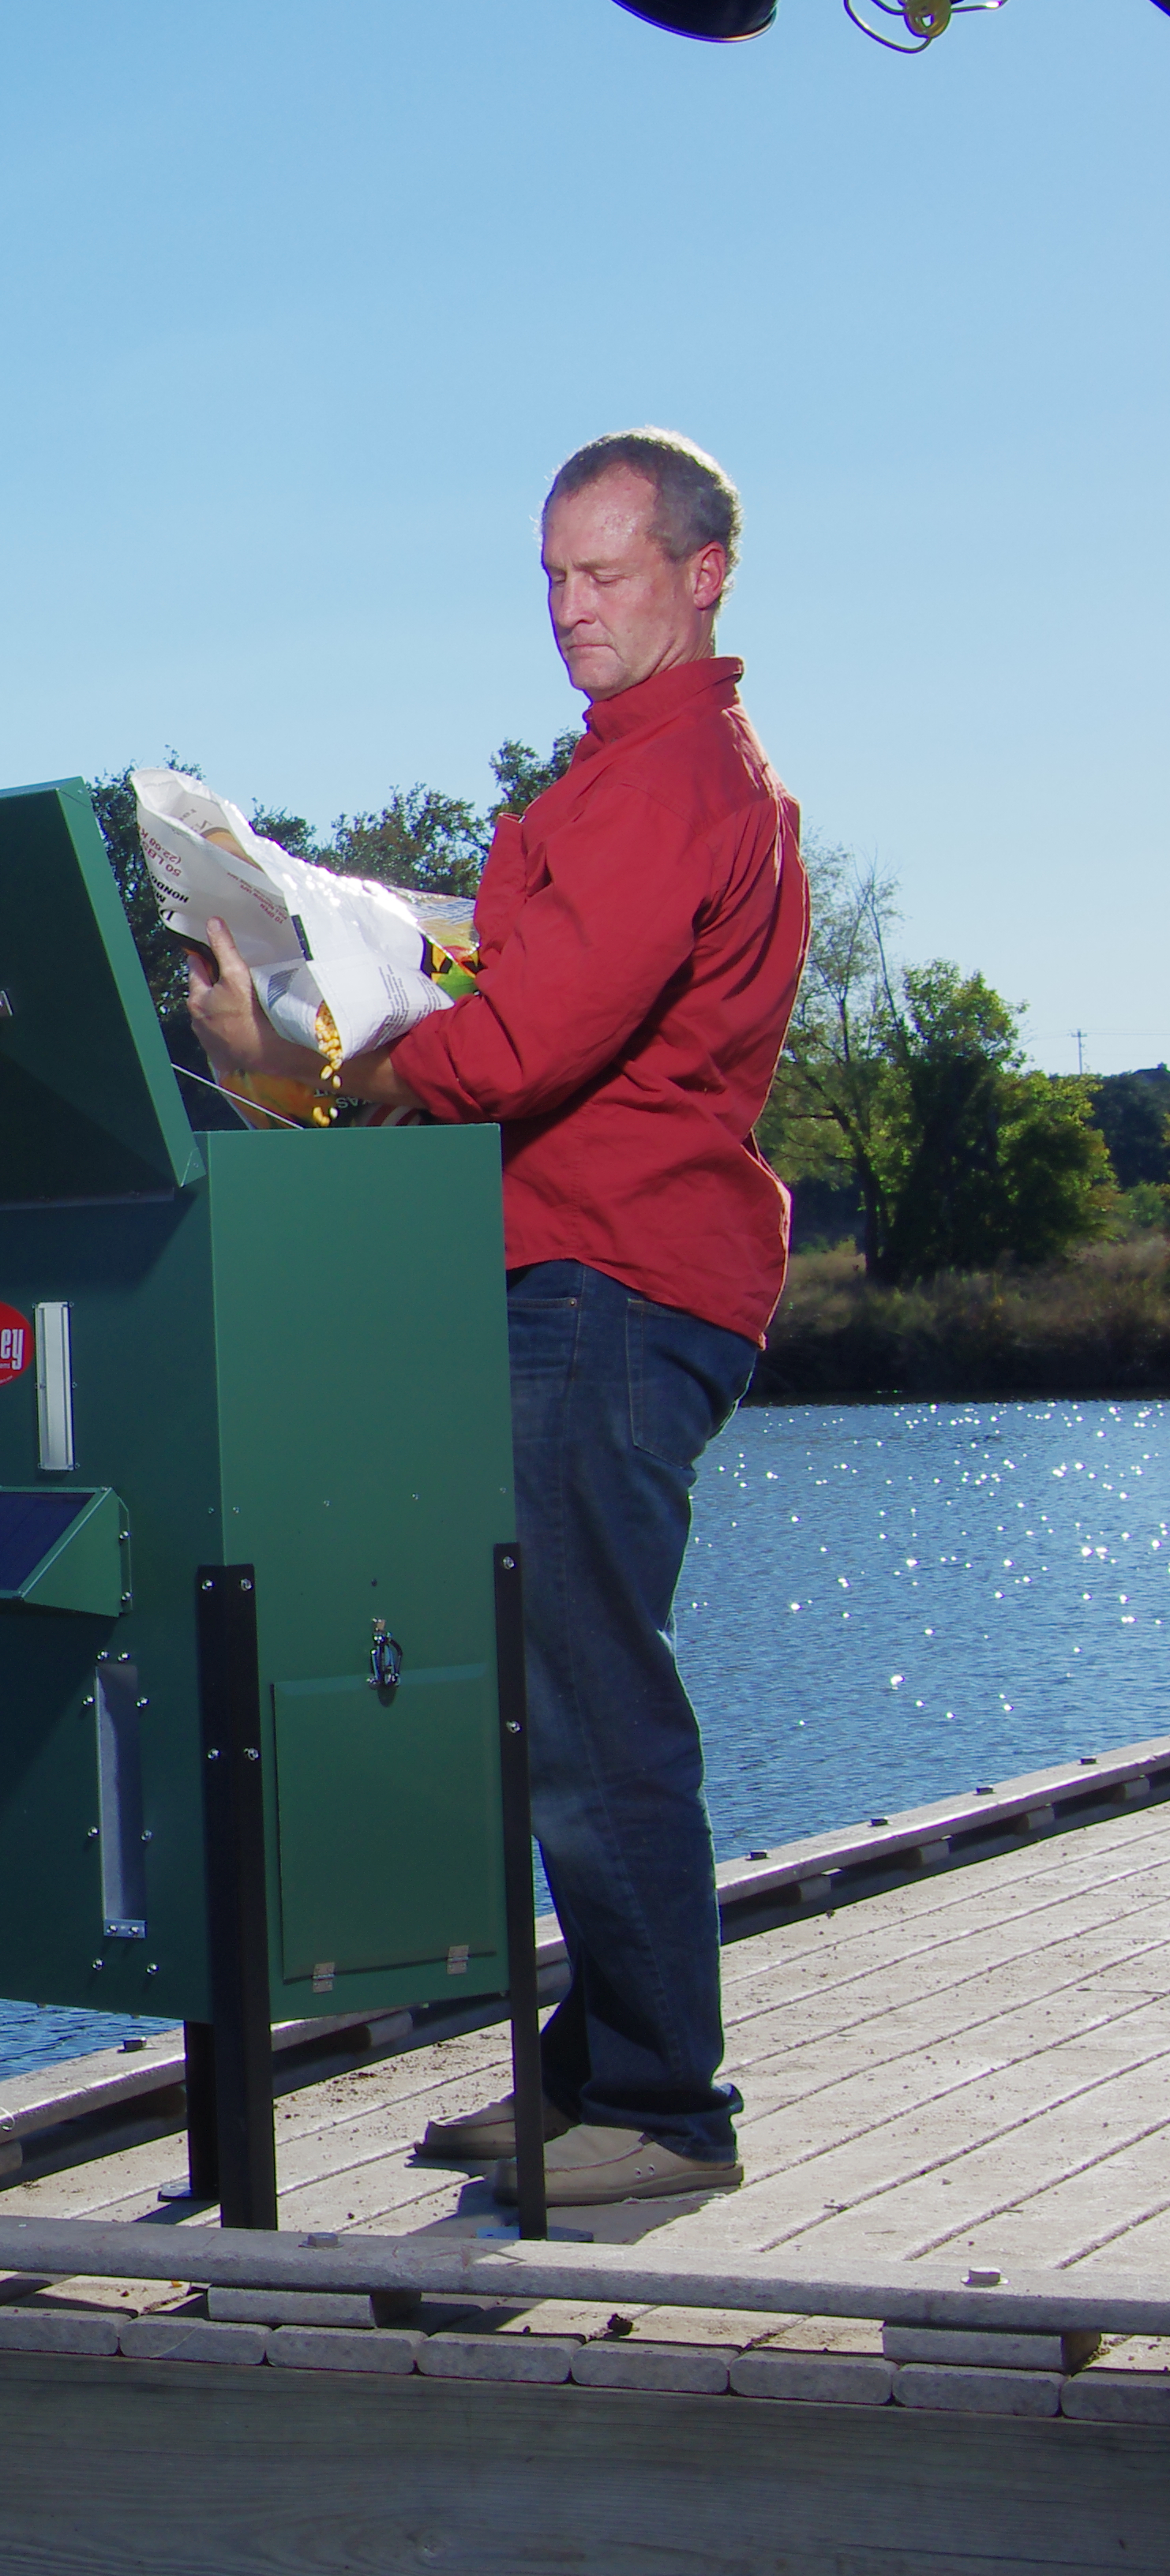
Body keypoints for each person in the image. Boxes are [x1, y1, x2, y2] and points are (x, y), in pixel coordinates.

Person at [186, 428, 808, 2209]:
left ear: (703, 575)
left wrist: (311, 1055)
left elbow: (532, 1042)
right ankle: (587, 2071)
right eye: (549, 574)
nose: (569, 607)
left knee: (591, 1701)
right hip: (575, 1276)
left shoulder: (676, 781)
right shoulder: (622, 780)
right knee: (540, 1704)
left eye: (604, 571)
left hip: (614, 1283)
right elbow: (521, 985)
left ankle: (666, 2110)